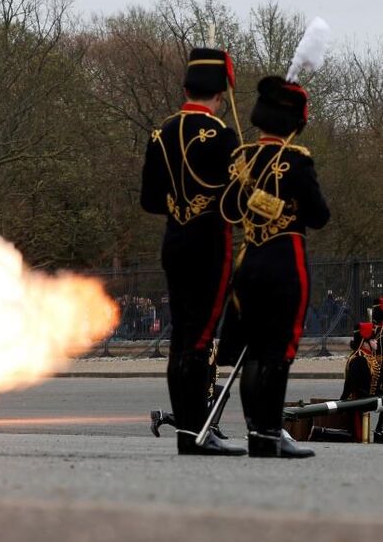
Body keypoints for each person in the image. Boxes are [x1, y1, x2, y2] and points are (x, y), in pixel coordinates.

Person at [140, 47, 245, 455]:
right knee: (200, 341)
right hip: (209, 245)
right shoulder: (223, 135)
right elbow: (235, 204)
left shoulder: (159, 134)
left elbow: (150, 201)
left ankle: (187, 430)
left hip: (175, 242)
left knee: (181, 338)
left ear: (186, 87)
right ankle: (195, 433)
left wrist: (181, 205)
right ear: (220, 95)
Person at [220, 75, 330, 458]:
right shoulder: (297, 160)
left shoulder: (241, 159)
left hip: (249, 261)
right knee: (278, 350)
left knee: (253, 350)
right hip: (285, 262)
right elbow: (318, 216)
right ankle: (269, 431)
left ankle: (257, 430)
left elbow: (230, 211)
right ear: (293, 122)